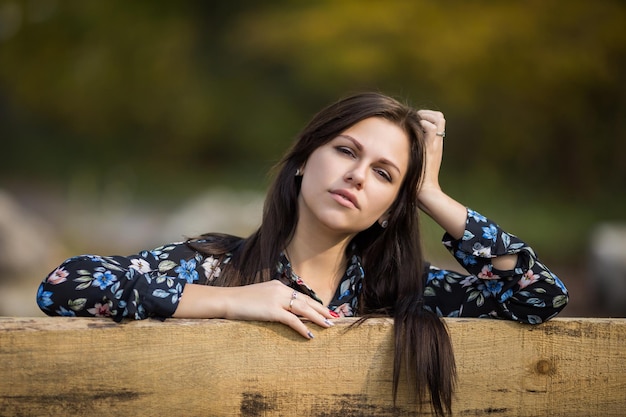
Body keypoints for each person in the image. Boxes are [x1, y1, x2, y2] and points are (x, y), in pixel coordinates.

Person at [36, 92, 568, 416]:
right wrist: (232, 301)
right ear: (301, 162)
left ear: (390, 207)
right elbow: (63, 285)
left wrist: (429, 193)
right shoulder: (220, 265)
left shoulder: (404, 291)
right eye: (345, 150)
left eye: (385, 174)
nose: (358, 175)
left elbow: (538, 297)